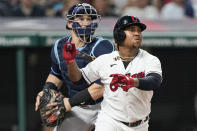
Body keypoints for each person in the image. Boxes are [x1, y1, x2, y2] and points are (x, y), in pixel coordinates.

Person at [63, 15, 163, 131]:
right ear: (119, 34)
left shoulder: (150, 59)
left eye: (139, 31)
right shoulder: (105, 60)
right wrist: (71, 62)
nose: (137, 33)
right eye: (132, 30)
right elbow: (78, 79)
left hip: (140, 125)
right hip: (110, 122)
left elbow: (155, 81)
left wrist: (132, 81)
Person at [35, 3, 114, 131]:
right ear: (70, 24)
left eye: (89, 19)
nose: (86, 23)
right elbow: (56, 74)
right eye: (81, 19)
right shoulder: (59, 46)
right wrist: (46, 90)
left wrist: (68, 103)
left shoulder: (103, 46)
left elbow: (101, 87)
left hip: (106, 105)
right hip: (79, 108)